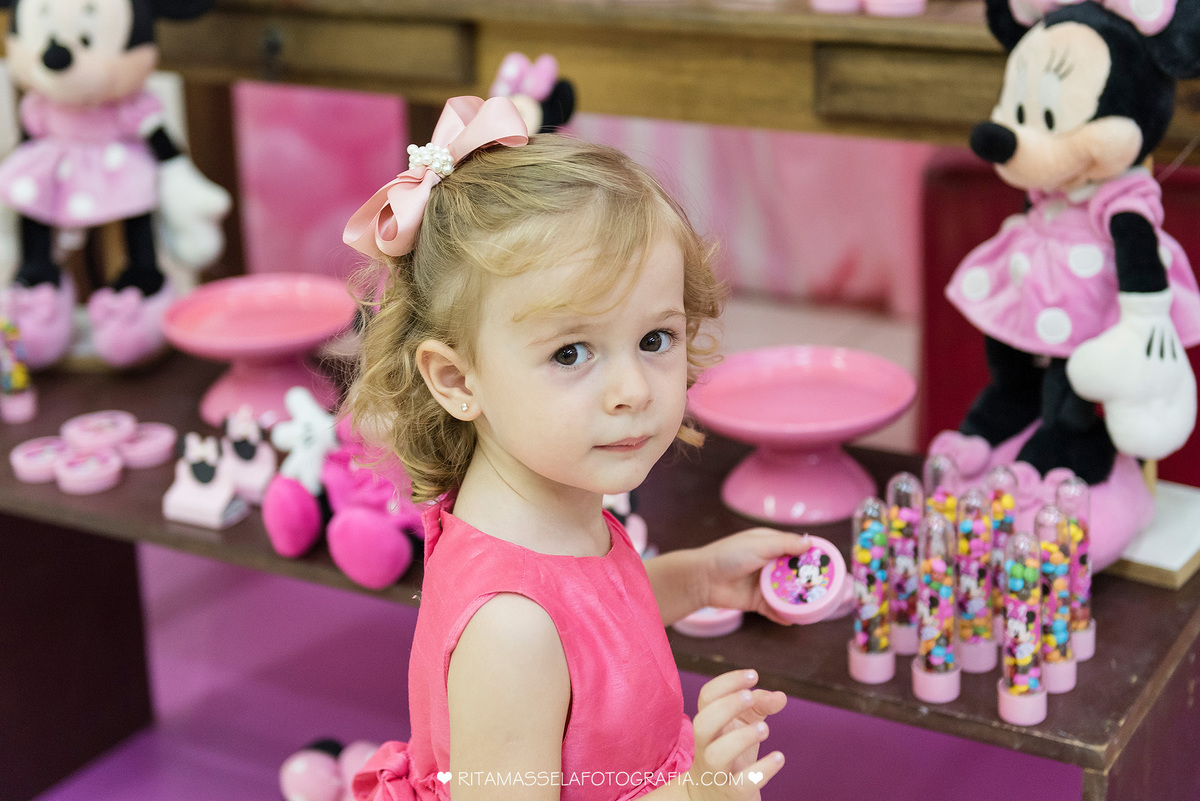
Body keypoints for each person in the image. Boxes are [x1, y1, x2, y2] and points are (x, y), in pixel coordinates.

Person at [342, 95, 812, 801]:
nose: (633, 390)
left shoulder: (545, 504)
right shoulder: (509, 630)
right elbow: (549, 640)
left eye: (655, 339)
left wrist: (699, 580)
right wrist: (694, 795)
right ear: (458, 379)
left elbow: (592, 629)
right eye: (571, 353)